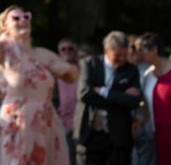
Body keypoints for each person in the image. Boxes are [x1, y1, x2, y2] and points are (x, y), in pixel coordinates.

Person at [0, 0, 78, 165]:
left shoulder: (44, 54)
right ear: (5, 26)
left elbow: (73, 76)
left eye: (26, 16)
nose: (23, 20)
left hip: (46, 126)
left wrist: (66, 69)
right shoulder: (4, 52)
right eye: (16, 18)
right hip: (16, 126)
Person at [74, 31, 141, 165]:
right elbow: (85, 94)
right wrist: (120, 97)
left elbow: (133, 102)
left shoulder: (131, 70)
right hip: (90, 133)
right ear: (106, 50)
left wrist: (104, 91)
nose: (122, 59)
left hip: (118, 136)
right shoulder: (90, 64)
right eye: (117, 55)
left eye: (125, 54)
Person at [137, 32, 171, 164]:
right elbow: (144, 103)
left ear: (155, 49)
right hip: (158, 134)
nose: (140, 54)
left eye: (142, 50)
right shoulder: (147, 75)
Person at [56, 37, 79, 164]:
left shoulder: (82, 70)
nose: (67, 52)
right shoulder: (54, 72)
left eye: (70, 49)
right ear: (59, 52)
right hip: (61, 123)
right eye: (63, 49)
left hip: (79, 122)